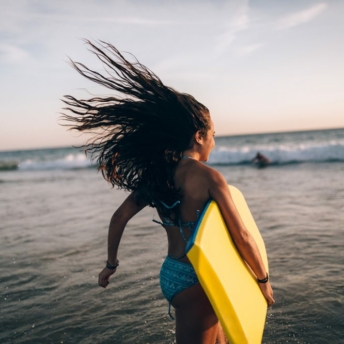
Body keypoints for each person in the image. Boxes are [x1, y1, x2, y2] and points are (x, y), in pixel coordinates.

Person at [62, 40, 275, 344]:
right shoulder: (211, 178)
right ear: (199, 136)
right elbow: (242, 236)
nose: (214, 141)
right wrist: (262, 280)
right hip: (201, 279)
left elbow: (119, 217)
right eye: (212, 134)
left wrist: (111, 264)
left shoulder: (158, 176)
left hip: (174, 273)